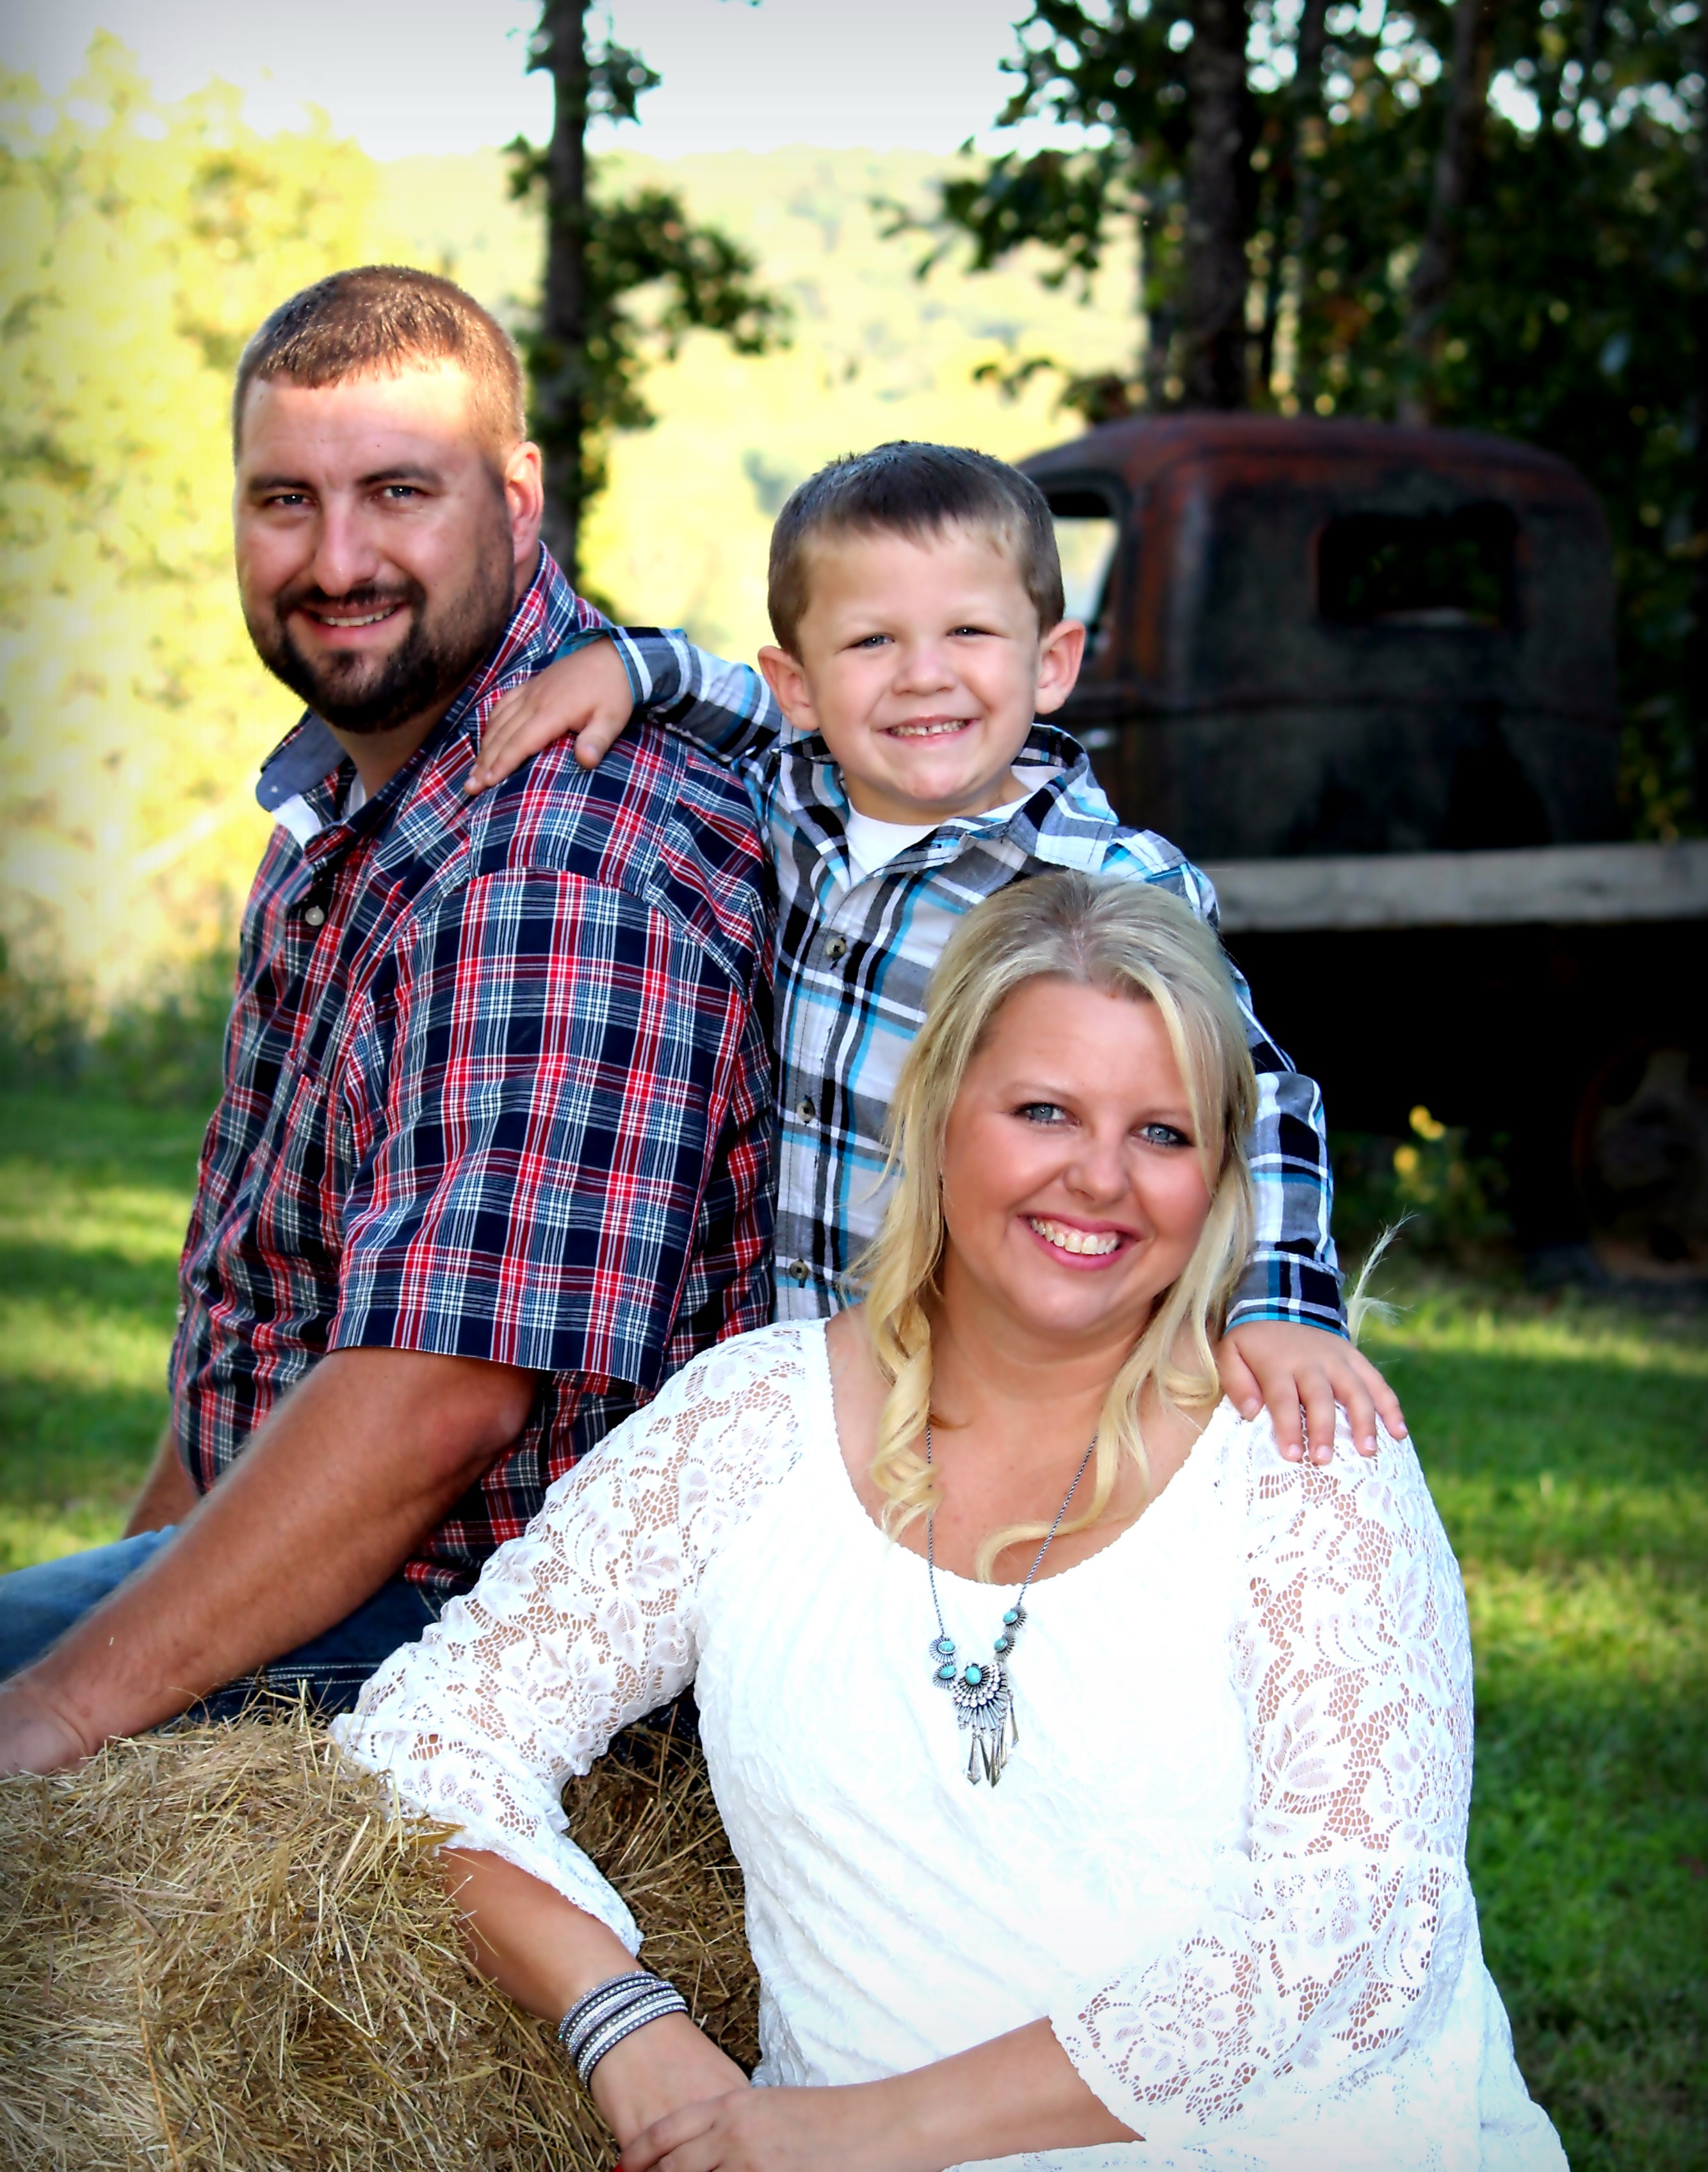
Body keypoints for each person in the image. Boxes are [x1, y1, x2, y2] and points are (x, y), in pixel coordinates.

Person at [337, 870, 1563, 2172]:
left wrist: (856, 2132)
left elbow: (1342, 1936)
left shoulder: (1306, 1457)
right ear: (935, 1118)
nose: (1098, 1178)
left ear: (1218, 1172)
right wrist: (626, 2024)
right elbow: (428, 1733)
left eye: (1162, 1132)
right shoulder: (748, 1423)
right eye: (1043, 1110)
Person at [0, 267, 772, 1776]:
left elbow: (434, 1406)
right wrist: (127, 1595)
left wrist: (64, 1713)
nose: (336, 557)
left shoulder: (561, 859)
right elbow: (270, 1313)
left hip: (504, 1645)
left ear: (514, 495)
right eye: (285, 498)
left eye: (396, 493)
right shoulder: (363, 802)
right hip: (362, 1585)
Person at [468, 440, 1404, 1470]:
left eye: (969, 631)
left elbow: (1257, 1094)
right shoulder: (792, 800)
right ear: (803, 683)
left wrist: (1283, 1300)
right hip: (803, 1378)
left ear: (1051, 663)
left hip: (1009, 1388)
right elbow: (733, 703)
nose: (924, 676)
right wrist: (629, 663)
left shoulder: (1106, 879)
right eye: (873, 641)